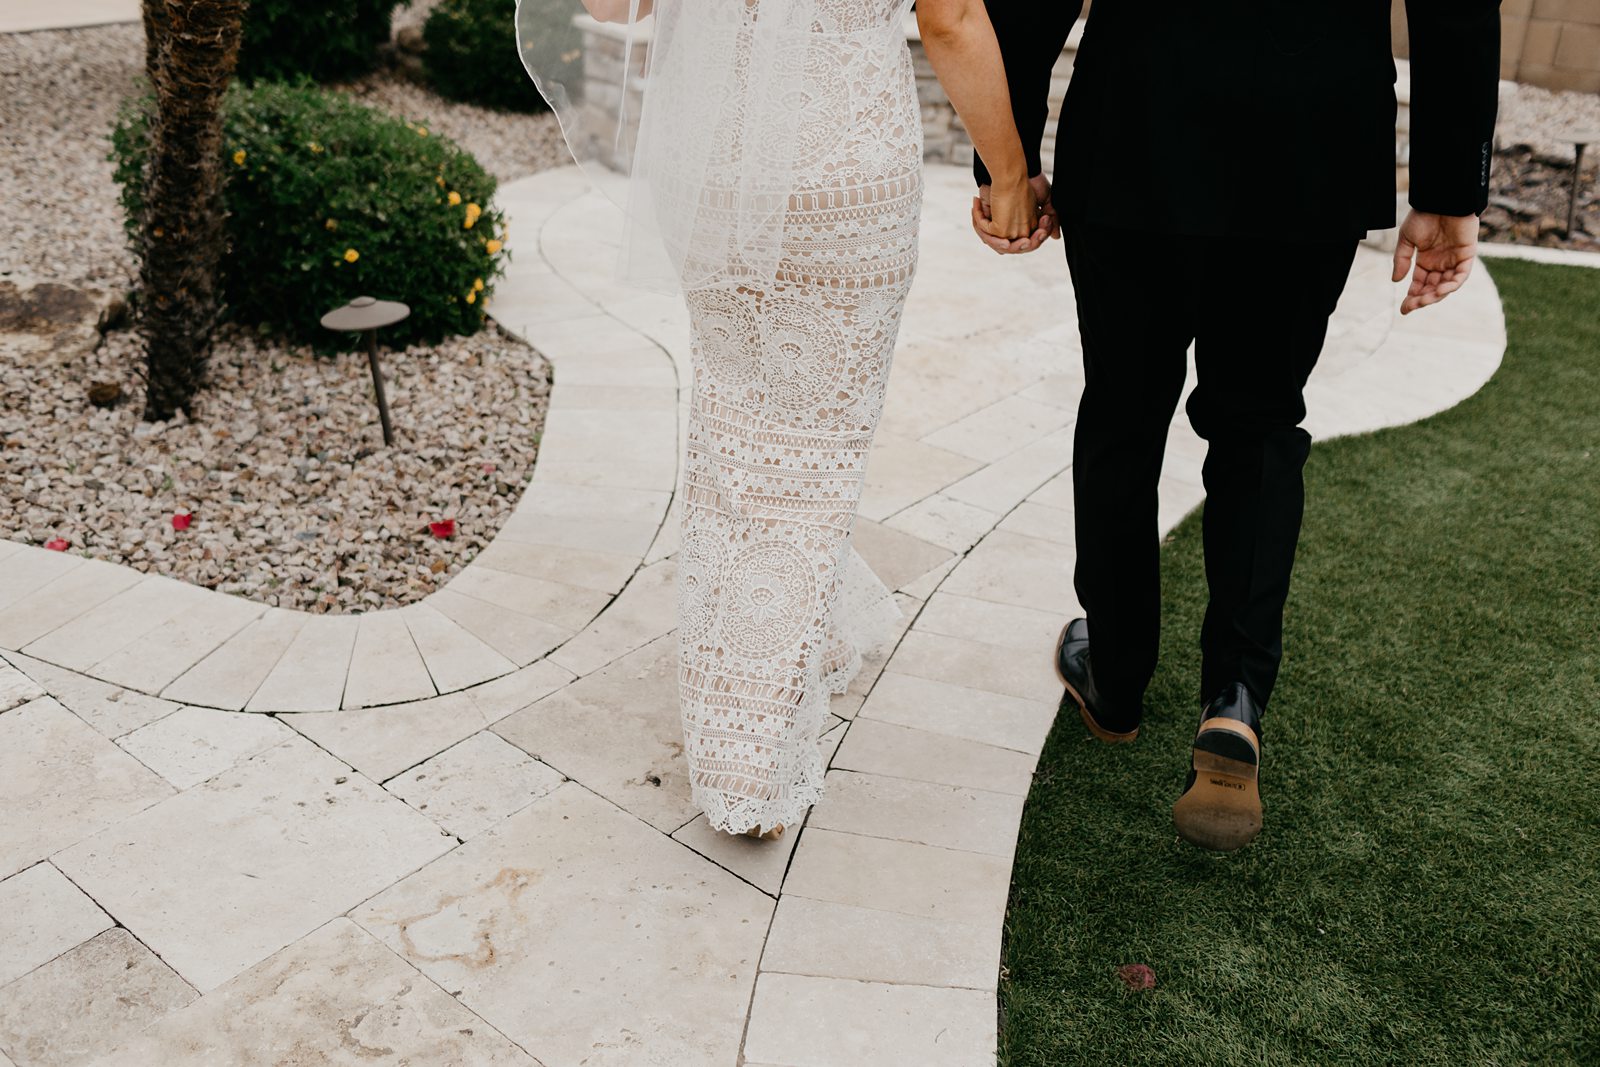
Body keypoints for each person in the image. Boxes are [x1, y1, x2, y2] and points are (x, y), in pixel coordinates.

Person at [972, 0, 1503, 850]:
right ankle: (1236, 699)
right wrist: (1449, 190)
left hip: (1139, 118)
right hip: (1316, 139)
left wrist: (1006, 157)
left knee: (1123, 412)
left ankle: (1113, 676)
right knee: (1258, 421)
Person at [527, 0, 1050, 838]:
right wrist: (1011, 175)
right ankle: (748, 762)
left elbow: (612, 5)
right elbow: (950, 19)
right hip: (843, 174)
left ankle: (806, 643)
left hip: (716, 167)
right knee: (816, 454)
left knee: (739, 440)